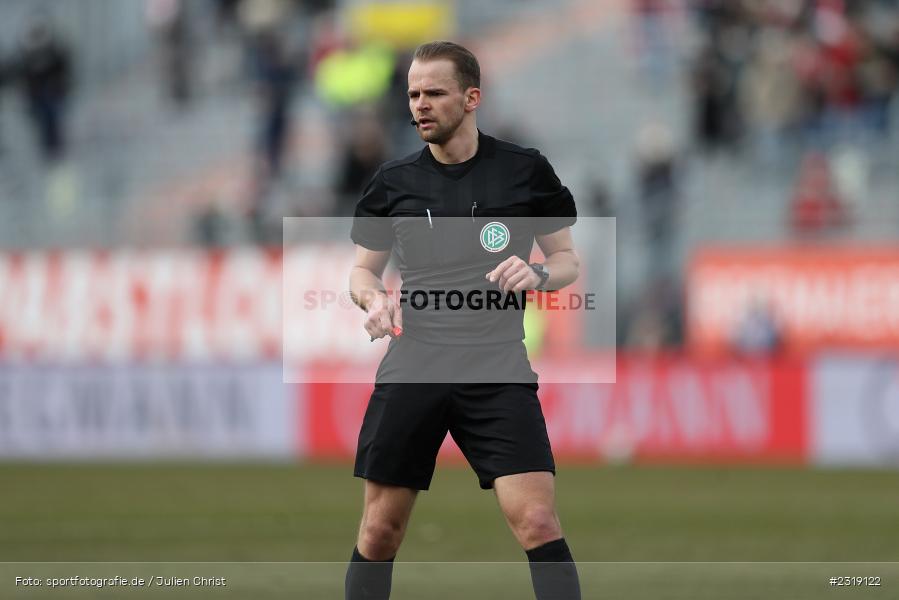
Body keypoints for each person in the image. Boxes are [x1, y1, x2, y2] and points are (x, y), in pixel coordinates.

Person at [346, 41, 582, 599]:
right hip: (415, 363)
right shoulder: (392, 181)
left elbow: (568, 261)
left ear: (472, 97)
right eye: (412, 95)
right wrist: (373, 300)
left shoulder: (525, 171)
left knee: (538, 524)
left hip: (496, 366)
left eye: (434, 93)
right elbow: (361, 273)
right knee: (380, 531)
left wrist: (540, 275)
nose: (419, 105)